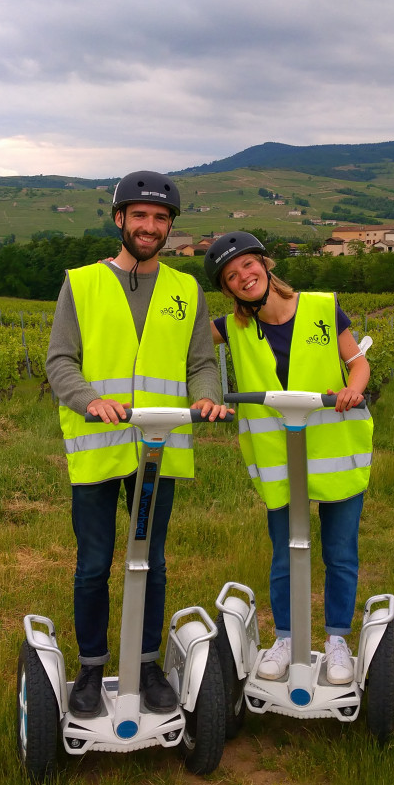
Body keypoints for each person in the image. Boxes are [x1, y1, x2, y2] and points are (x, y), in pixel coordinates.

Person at [45, 170, 228, 718]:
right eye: (141, 216)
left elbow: (200, 364)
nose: (151, 227)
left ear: (171, 227)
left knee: (149, 559)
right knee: (94, 563)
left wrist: (207, 398)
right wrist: (88, 401)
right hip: (99, 444)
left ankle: (147, 667)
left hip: (159, 446)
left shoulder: (184, 289)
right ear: (120, 218)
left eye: (161, 219)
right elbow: (61, 361)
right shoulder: (80, 283)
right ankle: (92, 668)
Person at [204, 231, 372, 686]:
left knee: (339, 552)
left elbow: (357, 361)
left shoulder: (321, 307)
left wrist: (354, 387)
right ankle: (285, 636)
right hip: (280, 459)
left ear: (265, 263)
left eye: (248, 266)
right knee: (286, 553)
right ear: (227, 288)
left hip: (335, 451)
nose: (244, 277)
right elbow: (179, 342)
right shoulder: (229, 327)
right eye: (231, 276)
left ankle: (337, 639)